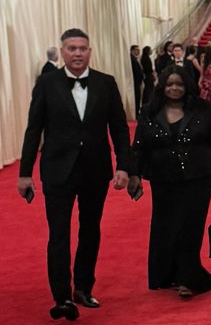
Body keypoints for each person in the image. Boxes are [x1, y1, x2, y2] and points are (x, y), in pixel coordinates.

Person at [17, 28, 131, 320]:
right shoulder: (47, 83)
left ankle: (83, 287)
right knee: (59, 234)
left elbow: (118, 127)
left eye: (82, 48)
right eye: (71, 48)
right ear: (62, 51)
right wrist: (25, 172)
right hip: (57, 170)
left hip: (95, 169)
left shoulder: (106, 83)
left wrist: (124, 166)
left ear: (90, 51)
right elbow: (34, 128)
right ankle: (62, 297)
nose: (77, 53)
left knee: (90, 230)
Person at [127, 65, 211, 298]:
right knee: (166, 227)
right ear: (162, 86)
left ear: (187, 86)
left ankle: (188, 278)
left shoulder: (201, 108)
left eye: (179, 84)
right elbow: (138, 147)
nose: (174, 88)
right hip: (163, 179)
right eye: (170, 84)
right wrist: (135, 175)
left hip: (199, 176)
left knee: (191, 226)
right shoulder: (149, 112)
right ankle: (167, 273)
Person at [129, 44, 144, 109]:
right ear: (132, 50)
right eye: (137, 50)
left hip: (138, 82)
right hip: (135, 82)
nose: (138, 51)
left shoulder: (135, 58)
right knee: (136, 97)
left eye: (139, 50)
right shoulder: (132, 59)